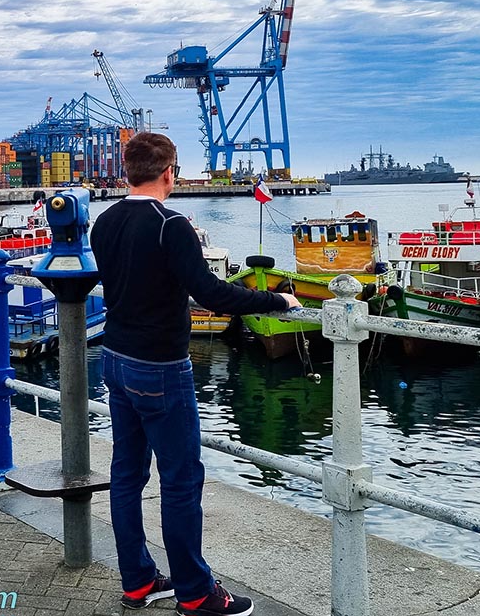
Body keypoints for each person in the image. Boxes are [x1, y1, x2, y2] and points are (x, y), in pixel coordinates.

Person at [91, 132, 300, 615]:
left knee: (126, 475)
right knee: (181, 481)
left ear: (128, 170)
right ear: (170, 172)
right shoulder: (171, 225)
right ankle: (195, 592)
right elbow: (212, 294)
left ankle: (139, 581)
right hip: (160, 368)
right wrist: (277, 299)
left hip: (115, 359)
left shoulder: (105, 221)